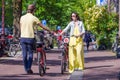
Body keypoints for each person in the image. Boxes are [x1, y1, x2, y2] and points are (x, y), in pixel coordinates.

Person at [20, 4, 52, 74]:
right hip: (30, 37)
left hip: (22, 37)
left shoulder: (22, 17)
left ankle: (26, 69)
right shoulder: (34, 18)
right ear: (33, 10)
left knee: (24, 54)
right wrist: (50, 30)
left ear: (27, 10)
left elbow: (21, 27)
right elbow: (42, 26)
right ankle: (28, 68)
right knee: (30, 53)